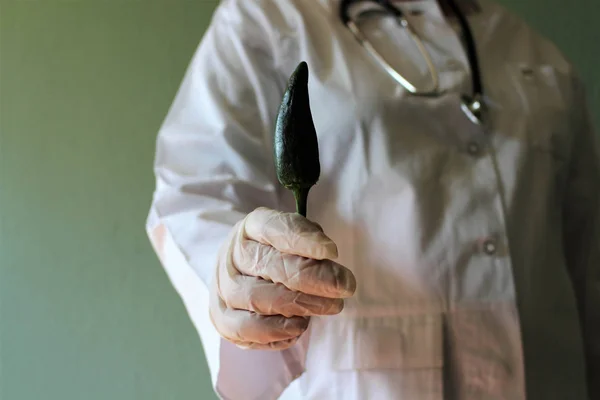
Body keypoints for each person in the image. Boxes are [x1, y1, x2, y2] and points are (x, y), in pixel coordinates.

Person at [145, 0, 599, 398]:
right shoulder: (266, 20)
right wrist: (236, 270)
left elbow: (587, 255)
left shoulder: (535, 54)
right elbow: (196, 194)